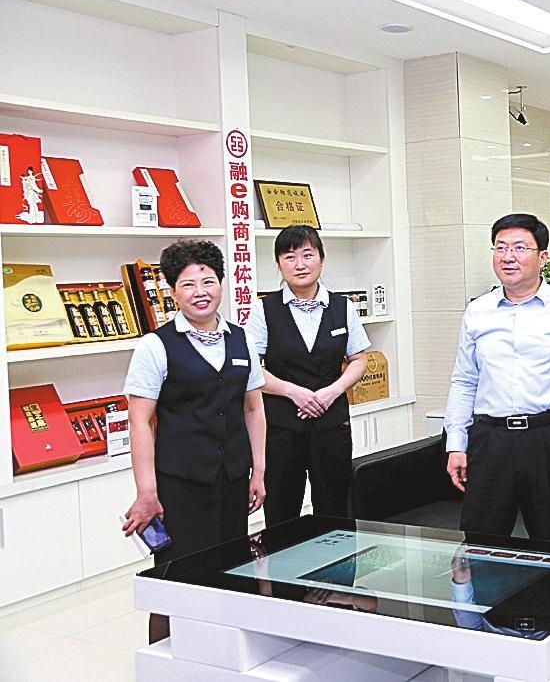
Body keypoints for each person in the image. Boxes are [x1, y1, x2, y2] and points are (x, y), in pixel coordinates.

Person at [122, 240, 267, 643]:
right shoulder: (155, 346)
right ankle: (165, 661)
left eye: (208, 281)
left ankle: (221, 653)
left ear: (221, 284)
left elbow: (253, 408)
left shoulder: (241, 340)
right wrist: (146, 492)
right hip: (180, 484)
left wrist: (258, 470)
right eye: (188, 284)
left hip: (232, 477)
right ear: (173, 292)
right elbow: (140, 422)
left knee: (231, 568)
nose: (200, 292)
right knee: (175, 579)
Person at [443, 213, 550, 542]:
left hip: (548, 440)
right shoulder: (478, 311)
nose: (508, 256)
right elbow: (464, 381)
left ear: (542, 257)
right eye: (500, 247)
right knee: (481, 542)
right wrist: (456, 444)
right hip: (491, 439)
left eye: (520, 248)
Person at [245, 225, 370, 526]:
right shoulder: (264, 310)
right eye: (289, 257)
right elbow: (251, 368)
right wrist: (293, 392)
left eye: (307, 255)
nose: (299, 264)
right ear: (278, 264)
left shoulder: (342, 307)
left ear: (321, 259)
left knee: (336, 510)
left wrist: (331, 392)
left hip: (331, 424)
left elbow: (359, 360)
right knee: (281, 512)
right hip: (280, 428)